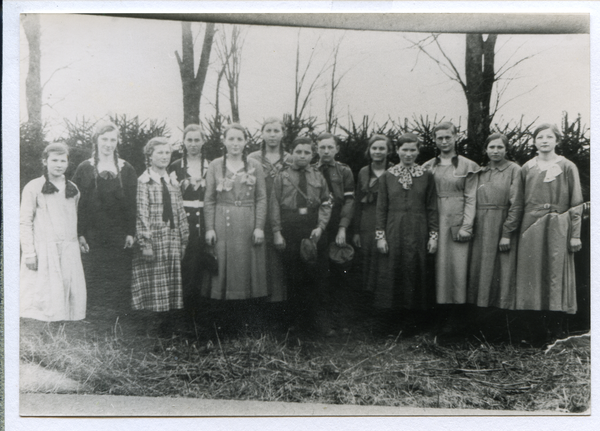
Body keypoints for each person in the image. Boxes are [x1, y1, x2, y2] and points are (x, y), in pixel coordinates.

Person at [515, 123, 583, 336]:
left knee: (555, 272)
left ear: (556, 140)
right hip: (530, 225)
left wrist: (575, 235)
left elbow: (576, 203)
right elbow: (518, 201)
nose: (544, 141)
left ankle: (555, 329)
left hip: (558, 224)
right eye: (540, 137)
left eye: (549, 137)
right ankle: (533, 331)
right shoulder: (527, 167)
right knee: (531, 274)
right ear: (534, 141)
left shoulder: (567, 166)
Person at [204, 123, 268, 332]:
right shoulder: (215, 165)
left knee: (246, 268)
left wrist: (259, 227)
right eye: (231, 139)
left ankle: (246, 322)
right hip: (223, 221)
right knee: (224, 268)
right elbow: (210, 199)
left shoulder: (254, 165)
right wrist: (209, 228)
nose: (235, 143)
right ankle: (223, 323)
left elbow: (261, 198)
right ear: (224, 141)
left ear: (246, 142)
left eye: (239, 139)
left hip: (248, 222)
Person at [373, 133, 438, 334]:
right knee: (393, 271)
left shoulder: (427, 176)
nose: (408, 154)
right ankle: (391, 322)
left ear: (418, 151)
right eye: (404, 150)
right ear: (398, 150)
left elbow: (432, 207)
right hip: (394, 229)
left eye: (413, 150)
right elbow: (381, 208)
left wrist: (433, 236)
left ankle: (414, 323)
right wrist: (380, 236)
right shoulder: (388, 176)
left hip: (419, 229)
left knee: (415, 271)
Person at [72, 121, 137, 314]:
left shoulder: (127, 169)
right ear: (96, 140)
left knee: (117, 270)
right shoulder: (84, 168)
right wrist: (80, 233)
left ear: (117, 142)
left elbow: (131, 204)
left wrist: (130, 232)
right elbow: (77, 205)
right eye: (104, 139)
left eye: (112, 139)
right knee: (93, 270)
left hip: (117, 231)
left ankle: (116, 315)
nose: (108, 144)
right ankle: (93, 314)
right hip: (92, 231)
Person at [271, 136, 332, 334]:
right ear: (291, 153)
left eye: (307, 152)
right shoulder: (282, 176)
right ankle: (294, 322)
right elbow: (274, 205)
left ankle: (314, 321)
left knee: (314, 275)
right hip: (290, 226)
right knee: (293, 275)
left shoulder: (317, 175)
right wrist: (277, 232)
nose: (302, 155)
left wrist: (321, 227)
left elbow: (326, 202)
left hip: (312, 227)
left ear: (312, 154)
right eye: (298, 151)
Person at [422, 122, 479, 331]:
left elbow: (471, 197)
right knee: (437, 269)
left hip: (457, 221)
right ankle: (437, 319)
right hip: (435, 220)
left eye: (448, 137)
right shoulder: (428, 166)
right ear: (435, 140)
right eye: (440, 138)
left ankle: (457, 322)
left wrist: (467, 225)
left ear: (456, 137)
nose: (444, 142)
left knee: (457, 269)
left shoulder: (467, 165)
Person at [20, 142, 86, 321]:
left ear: (68, 163)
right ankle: (39, 320)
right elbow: (25, 221)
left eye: (63, 161)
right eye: (54, 160)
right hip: (43, 247)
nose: (59, 165)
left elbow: (74, 217)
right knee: (41, 289)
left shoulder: (73, 189)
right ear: (45, 161)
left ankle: (64, 318)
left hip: (67, 247)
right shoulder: (33, 187)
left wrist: (78, 238)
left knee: (66, 284)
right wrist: (29, 253)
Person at [131, 137, 189, 319]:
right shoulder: (144, 181)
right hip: (154, 237)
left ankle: (167, 323)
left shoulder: (172, 182)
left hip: (171, 237)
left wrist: (183, 239)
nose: (164, 156)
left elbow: (179, 211)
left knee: (169, 282)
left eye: (167, 153)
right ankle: (150, 324)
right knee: (153, 282)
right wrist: (145, 243)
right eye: (160, 153)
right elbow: (142, 213)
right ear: (150, 155)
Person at [468, 133, 523, 310]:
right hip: (481, 225)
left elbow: (517, 203)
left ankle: (501, 315)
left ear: (506, 149)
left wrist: (507, 232)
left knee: (502, 268)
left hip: (501, 223)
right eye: (492, 147)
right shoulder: (481, 172)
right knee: (481, 267)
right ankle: (479, 312)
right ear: (486, 149)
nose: (496, 151)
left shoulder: (514, 170)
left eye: (500, 147)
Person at [315, 132, 355, 334]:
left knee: (342, 273)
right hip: (320, 224)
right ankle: (324, 321)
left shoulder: (344, 171)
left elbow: (349, 200)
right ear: (317, 149)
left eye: (330, 147)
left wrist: (343, 228)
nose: (326, 151)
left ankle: (342, 319)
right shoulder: (312, 171)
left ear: (337, 149)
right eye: (322, 147)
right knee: (322, 274)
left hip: (339, 224)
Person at [168, 124, 210, 314]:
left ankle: (201, 311)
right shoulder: (176, 166)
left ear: (203, 141)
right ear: (183, 142)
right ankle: (183, 311)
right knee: (186, 265)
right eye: (189, 140)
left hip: (205, 220)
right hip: (183, 222)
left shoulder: (211, 166)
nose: (193, 144)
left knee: (203, 263)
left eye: (197, 140)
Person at [248, 117, 291, 304]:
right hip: (258, 213)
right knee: (258, 256)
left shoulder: (290, 159)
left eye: (276, 131)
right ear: (262, 133)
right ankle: (258, 301)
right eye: (268, 131)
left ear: (283, 133)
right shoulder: (252, 159)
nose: (272, 135)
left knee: (279, 258)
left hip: (283, 214)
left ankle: (279, 303)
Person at [352, 134, 392, 292]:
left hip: (389, 218)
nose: (378, 151)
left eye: (382, 148)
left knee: (385, 254)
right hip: (367, 218)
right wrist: (355, 231)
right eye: (374, 148)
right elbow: (357, 202)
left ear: (388, 151)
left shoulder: (394, 170)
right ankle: (368, 293)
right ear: (369, 150)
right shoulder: (363, 172)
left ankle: (385, 291)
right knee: (368, 254)